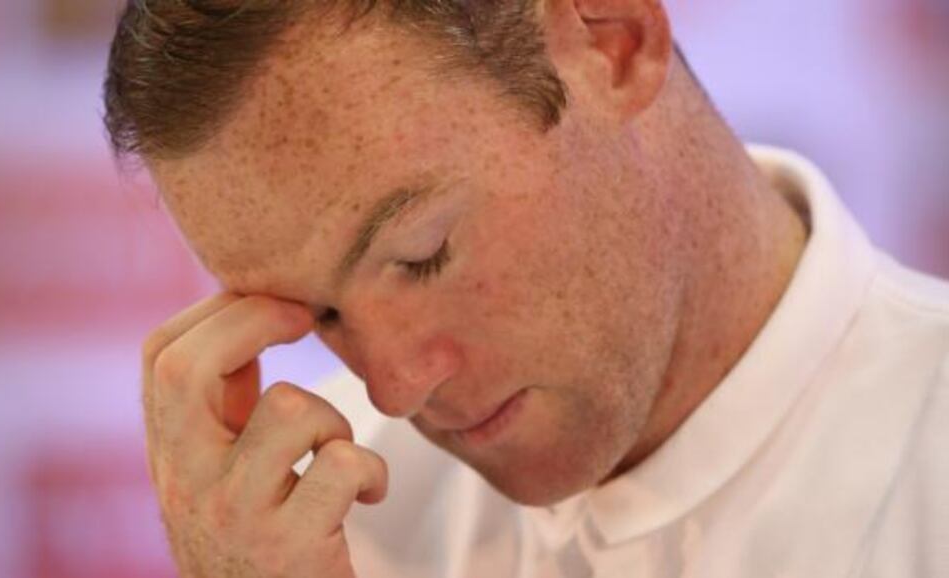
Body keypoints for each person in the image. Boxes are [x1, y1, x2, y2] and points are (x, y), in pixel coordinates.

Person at [102, 1, 949, 576]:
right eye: (319, 315)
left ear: (615, 43)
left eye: (422, 252)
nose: (396, 389)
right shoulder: (319, 532)